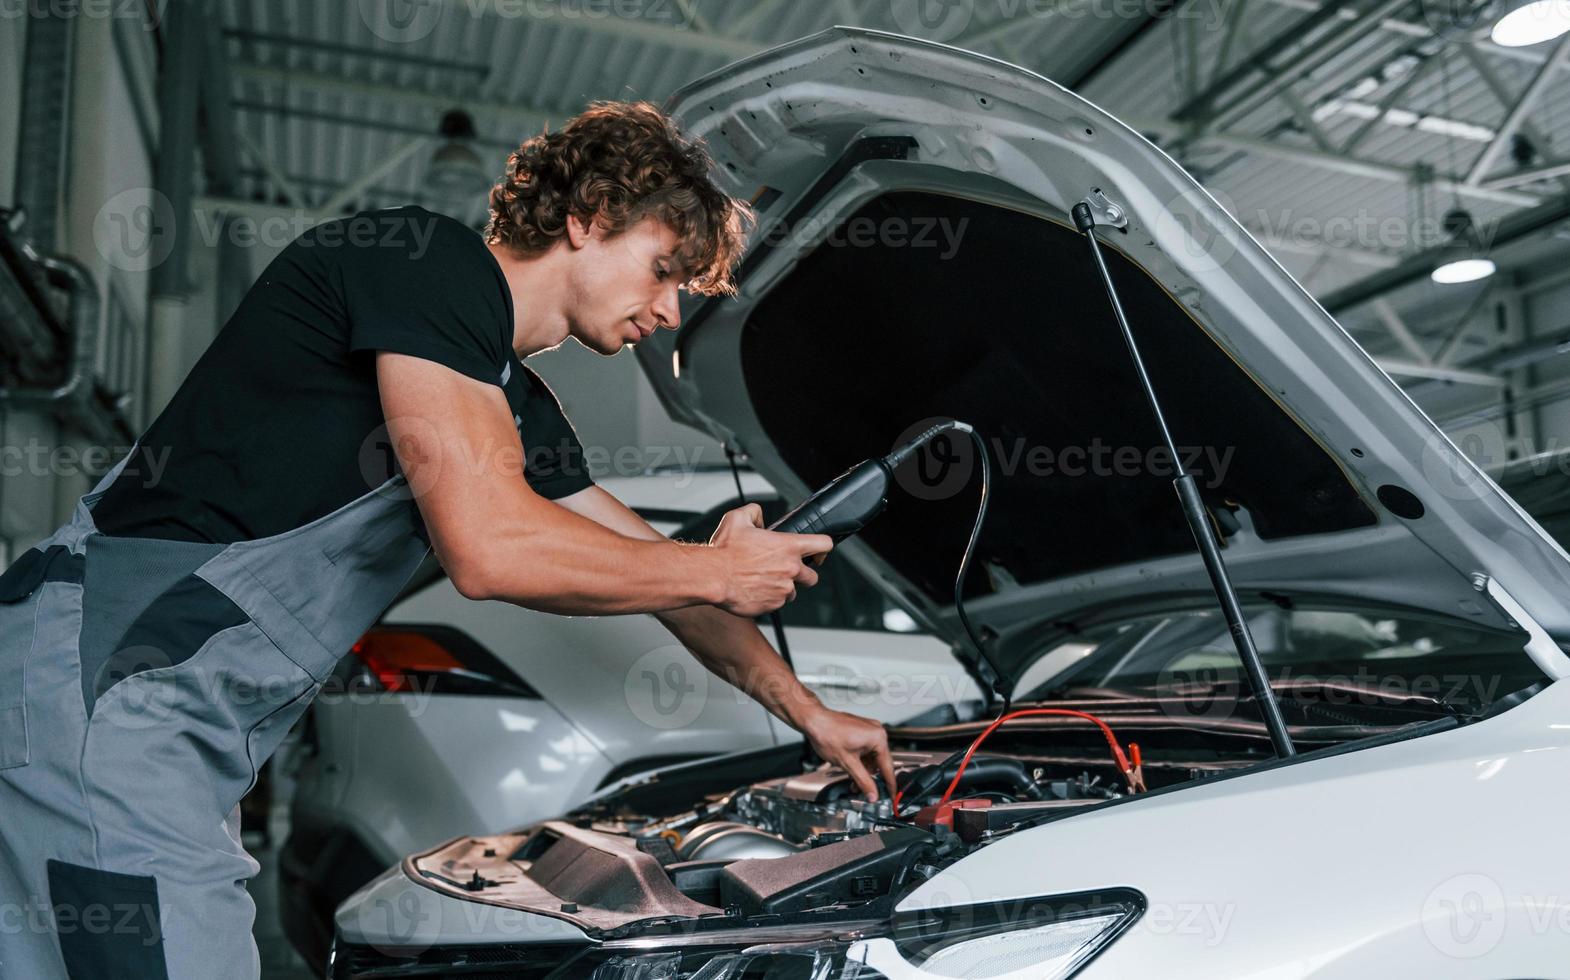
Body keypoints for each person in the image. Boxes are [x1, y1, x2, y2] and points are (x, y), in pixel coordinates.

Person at [0, 100, 899, 980]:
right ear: (590, 218)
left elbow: (670, 593)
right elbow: (492, 547)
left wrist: (808, 710)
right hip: (106, 680)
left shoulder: (511, 405)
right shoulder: (427, 263)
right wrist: (716, 565)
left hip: (164, 717)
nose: (669, 312)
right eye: (664, 270)